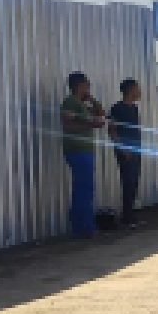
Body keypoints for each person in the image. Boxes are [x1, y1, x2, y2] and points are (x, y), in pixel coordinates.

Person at [60, 71, 105, 238]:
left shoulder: (82, 104)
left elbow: (101, 115)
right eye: (87, 84)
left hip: (85, 151)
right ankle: (84, 227)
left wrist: (92, 100)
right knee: (84, 189)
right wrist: (91, 125)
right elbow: (68, 126)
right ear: (80, 85)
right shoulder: (70, 102)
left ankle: (83, 226)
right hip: (77, 151)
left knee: (85, 188)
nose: (89, 87)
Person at [108, 78, 143, 229]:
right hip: (125, 151)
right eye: (137, 88)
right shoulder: (117, 108)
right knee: (128, 182)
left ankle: (131, 215)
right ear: (130, 90)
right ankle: (127, 217)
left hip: (136, 149)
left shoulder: (134, 108)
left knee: (134, 182)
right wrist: (122, 148)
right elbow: (112, 130)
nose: (139, 91)